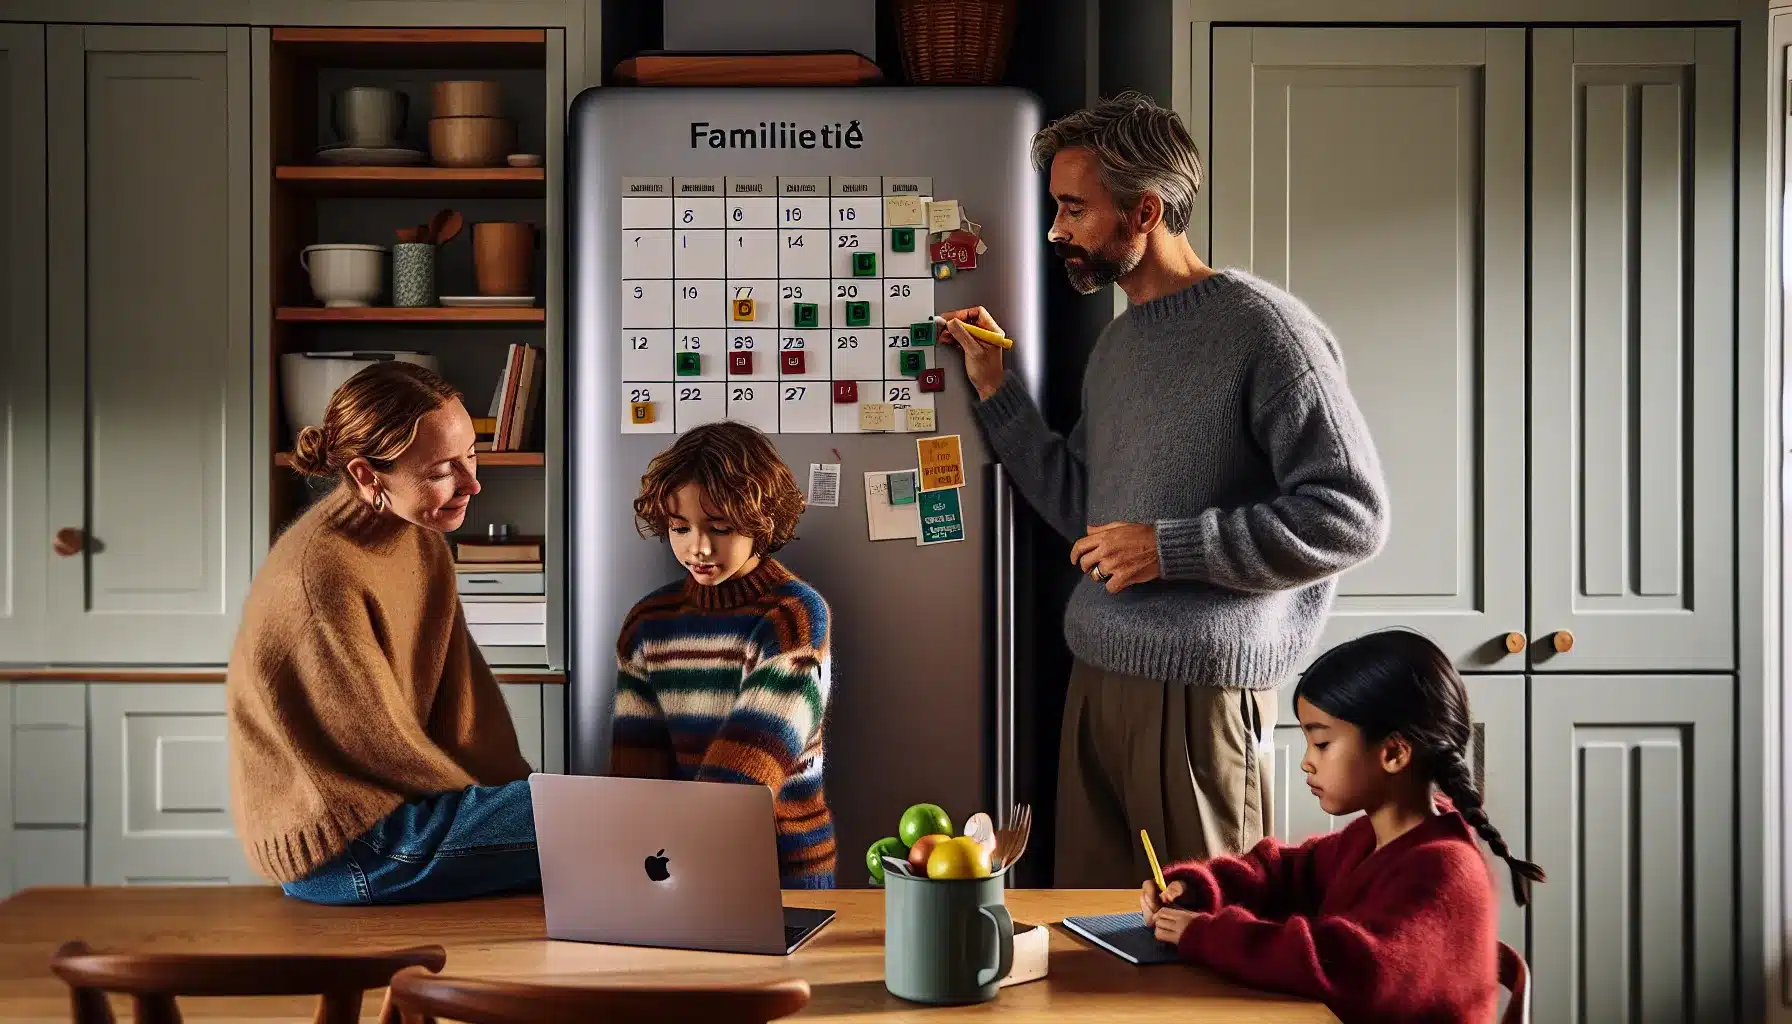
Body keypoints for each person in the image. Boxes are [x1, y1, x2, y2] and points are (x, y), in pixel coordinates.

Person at [940, 91, 1390, 886]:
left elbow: (1350, 515)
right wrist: (995, 390)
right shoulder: (1118, 347)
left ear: (1143, 211)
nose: (1055, 231)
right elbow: (1084, 512)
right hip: (1098, 684)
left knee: (1211, 932)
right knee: (1091, 931)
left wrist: (1169, 548)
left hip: (1198, 701)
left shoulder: (1265, 330)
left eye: (1074, 208)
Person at [226, 361, 538, 906]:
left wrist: (513, 795)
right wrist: (517, 813)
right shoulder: (320, 574)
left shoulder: (420, 539)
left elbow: (463, 704)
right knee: (594, 821)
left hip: (406, 810)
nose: (472, 482)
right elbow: (376, 751)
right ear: (368, 476)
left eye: (471, 455)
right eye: (442, 471)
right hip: (352, 844)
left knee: (584, 814)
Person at [1139, 629, 1546, 1023]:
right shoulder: (1373, 837)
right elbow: (1282, 871)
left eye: (1322, 743)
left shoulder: (1446, 871)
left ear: (1394, 753)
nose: (1307, 761)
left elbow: (1353, 970)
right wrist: (1199, 888)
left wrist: (1208, 936)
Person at [610, 421, 836, 888]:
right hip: (673, 867)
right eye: (680, 528)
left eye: (720, 528)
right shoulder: (648, 623)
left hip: (782, 868)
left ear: (760, 521)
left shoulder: (792, 615)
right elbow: (636, 773)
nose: (698, 548)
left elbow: (750, 766)